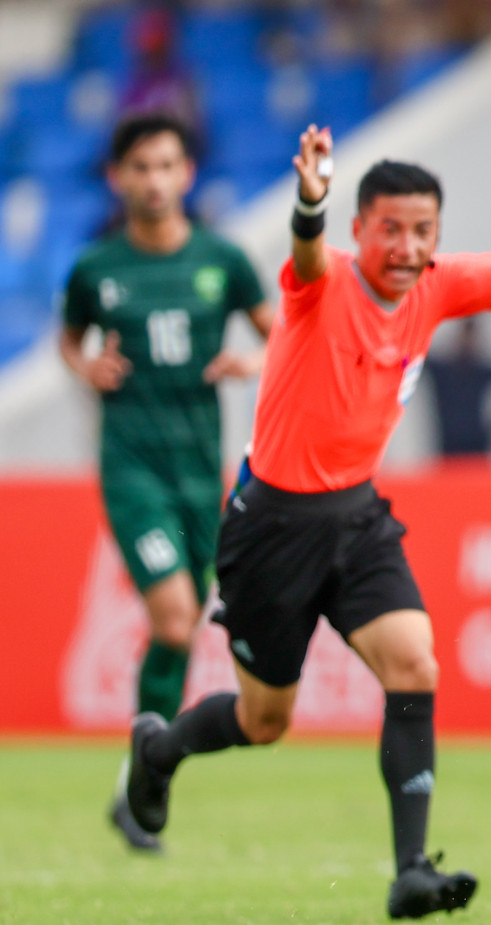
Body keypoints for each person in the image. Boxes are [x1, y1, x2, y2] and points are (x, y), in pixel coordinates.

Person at [125, 124, 491, 918]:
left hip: (356, 516)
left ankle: (411, 870)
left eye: (422, 229)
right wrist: (310, 202)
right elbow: (308, 253)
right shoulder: (319, 281)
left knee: (415, 664)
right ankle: (159, 747)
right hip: (270, 528)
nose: (406, 244)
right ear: (361, 230)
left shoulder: (438, 284)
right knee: (264, 720)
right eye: (389, 228)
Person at [60, 113, 273, 854]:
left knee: (179, 630)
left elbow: (282, 333)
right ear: (119, 178)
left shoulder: (224, 260)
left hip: (198, 473)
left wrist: (255, 361)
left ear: (187, 174)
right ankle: (145, 772)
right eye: (140, 167)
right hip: (133, 468)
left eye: (166, 165)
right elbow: (69, 337)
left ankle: (140, 777)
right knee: (177, 619)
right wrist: (84, 366)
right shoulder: (97, 268)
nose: (154, 180)